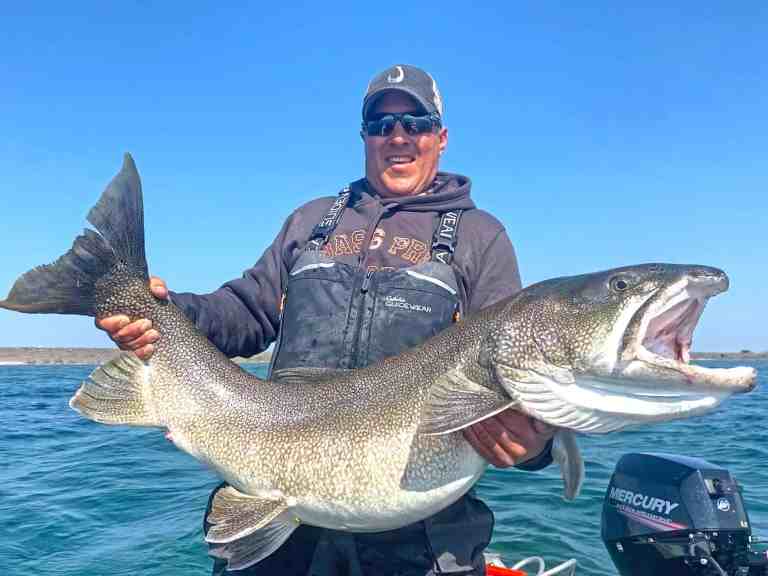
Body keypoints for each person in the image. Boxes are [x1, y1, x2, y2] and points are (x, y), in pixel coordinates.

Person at [97, 64, 555, 576]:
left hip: (421, 542)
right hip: (278, 524)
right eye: (382, 125)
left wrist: (537, 444)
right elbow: (246, 311)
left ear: (440, 137)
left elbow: (513, 368)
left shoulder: (481, 236)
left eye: (415, 122)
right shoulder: (310, 219)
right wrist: (165, 313)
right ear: (365, 137)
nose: (398, 136)